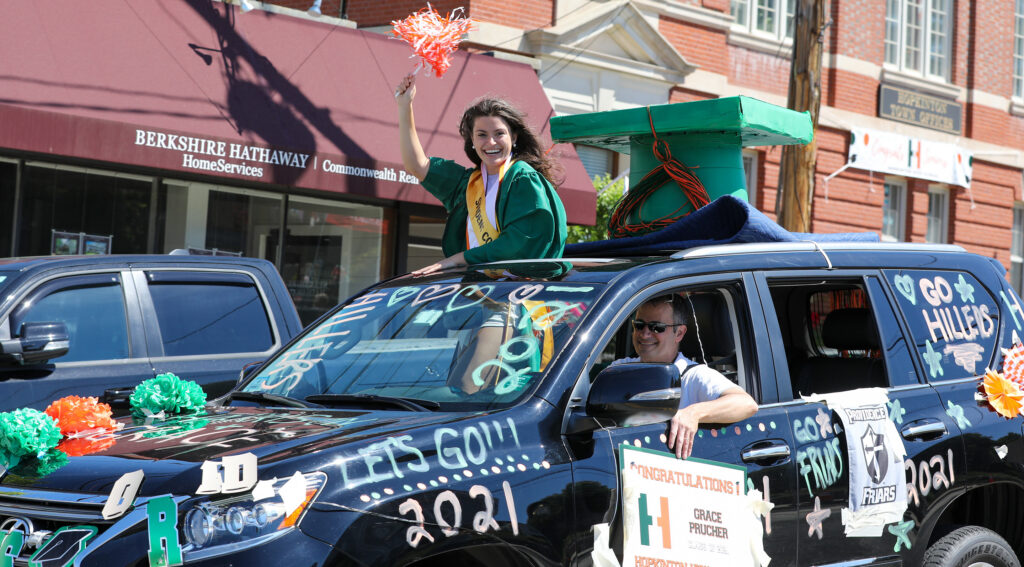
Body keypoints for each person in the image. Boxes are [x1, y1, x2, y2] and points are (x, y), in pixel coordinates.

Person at [394, 73, 567, 276]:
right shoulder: (468, 184)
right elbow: (417, 165)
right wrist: (404, 106)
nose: (491, 142)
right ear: (472, 142)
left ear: (514, 137)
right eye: (482, 135)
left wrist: (460, 260)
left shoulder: (522, 179)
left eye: (499, 134)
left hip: (522, 296)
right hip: (478, 293)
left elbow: (519, 244)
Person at [612, 294, 758, 459]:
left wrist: (692, 413)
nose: (645, 334)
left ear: (679, 333)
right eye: (639, 325)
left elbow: (746, 403)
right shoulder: (620, 370)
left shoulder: (694, 375)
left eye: (656, 327)